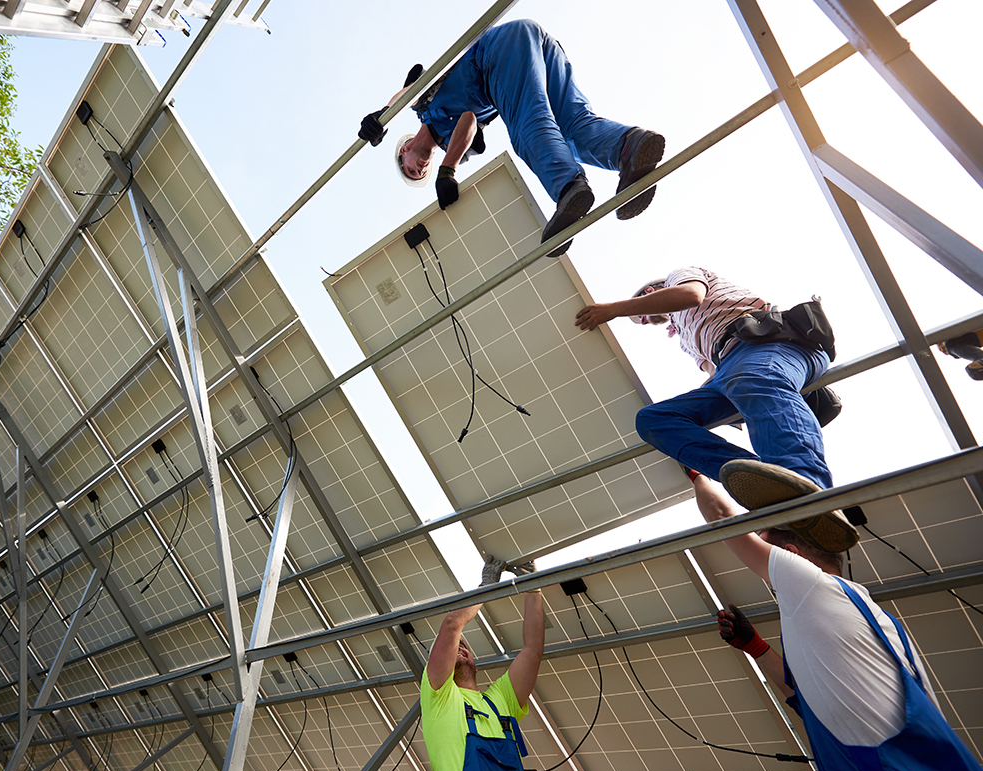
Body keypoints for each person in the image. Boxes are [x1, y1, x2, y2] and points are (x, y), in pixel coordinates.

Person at [690, 472, 983, 771]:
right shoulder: (863, 619)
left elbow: (721, 517)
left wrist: (694, 471)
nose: (756, 548)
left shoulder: (815, 587)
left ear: (792, 556)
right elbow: (810, 703)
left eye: (762, 538)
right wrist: (756, 647)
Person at [574, 266, 857, 551]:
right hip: (729, 369)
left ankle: (809, 486)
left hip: (772, 343)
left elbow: (690, 295)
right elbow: (713, 373)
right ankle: (763, 477)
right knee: (654, 419)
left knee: (753, 380)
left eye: (643, 318)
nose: (647, 321)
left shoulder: (681, 277)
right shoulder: (687, 337)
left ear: (650, 291)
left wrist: (614, 310)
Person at [358, 19, 665, 256]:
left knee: (527, 126)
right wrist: (448, 169)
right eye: (418, 174)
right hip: (536, 48)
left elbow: (410, 94)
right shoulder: (454, 145)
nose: (419, 169)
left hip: (496, 54)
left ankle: (568, 187)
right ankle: (628, 147)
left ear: (405, 149)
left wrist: (383, 114)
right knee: (572, 127)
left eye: (411, 168)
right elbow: (469, 120)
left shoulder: (423, 108)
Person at [421, 554, 543, 771]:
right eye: (454, 647)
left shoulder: (501, 700)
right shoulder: (439, 698)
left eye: (465, 647)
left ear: (477, 666)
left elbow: (532, 651)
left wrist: (533, 588)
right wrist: (487, 587)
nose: (460, 648)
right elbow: (452, 625)